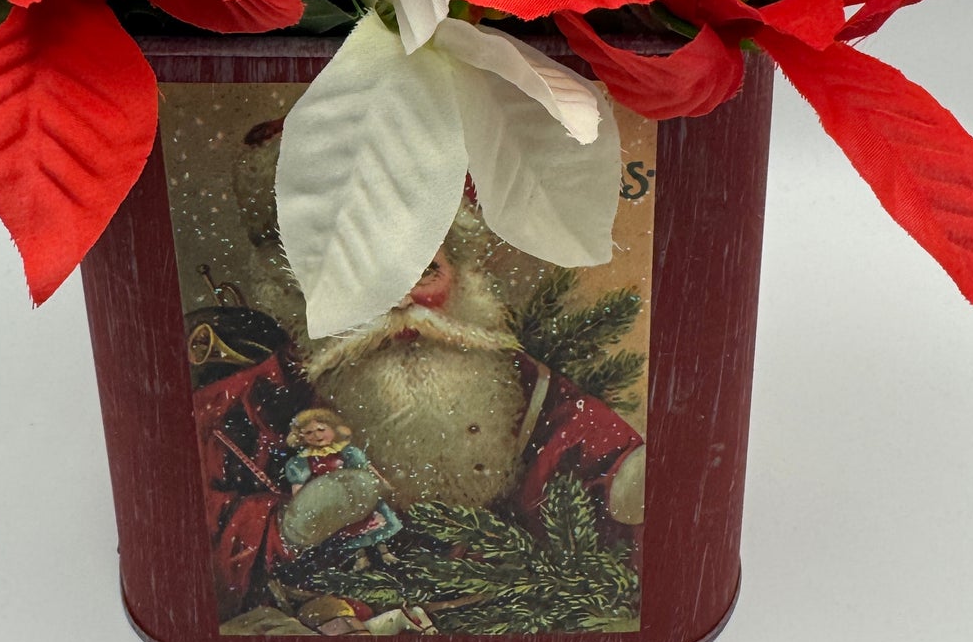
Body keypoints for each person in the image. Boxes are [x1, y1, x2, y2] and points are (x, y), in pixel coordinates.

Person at [193, 202, 645, 618]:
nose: (401, 300)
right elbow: (202, 536)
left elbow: (574, 440)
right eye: (365, 278)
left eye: (426, 270)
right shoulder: (254, 400)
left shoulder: (505, 378)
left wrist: (623, 475)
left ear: (462, 275)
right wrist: (288, 529)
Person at [279, 408, 402, 568]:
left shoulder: (346, 451)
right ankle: (361, 558)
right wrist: (303, 506)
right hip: (335, 503)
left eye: (321, 429)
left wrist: (382, 482)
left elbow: (365, 468)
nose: (317, 435)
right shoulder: (302, 461)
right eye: (309, 433)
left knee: (372, 523)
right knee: (351, 530)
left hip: (358, 495)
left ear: (333, 428)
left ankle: (385, 553)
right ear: (301, 437)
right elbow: (299, 488)